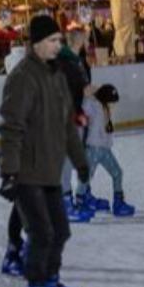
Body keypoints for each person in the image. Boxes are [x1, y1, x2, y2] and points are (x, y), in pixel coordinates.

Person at [0, 15, 90, 287]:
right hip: (26, 171)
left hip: (49, 169)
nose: (58, 45)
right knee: (41, 234)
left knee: (60, 231)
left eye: (59, 40)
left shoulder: (56, 76)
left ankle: (51, 285)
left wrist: (80, 161)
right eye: (52, 40)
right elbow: (11, 127)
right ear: (36, 43)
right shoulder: (24, 77)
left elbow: (67, 126)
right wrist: (8, 172)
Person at [75, 84, 135, 217]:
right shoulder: (94, 106)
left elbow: (108, 131)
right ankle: (80, 202)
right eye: (111, 102)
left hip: (105, 149)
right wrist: (87, 96)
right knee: (86, 177)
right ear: (104, 100)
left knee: (117, 173)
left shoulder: (106, 110)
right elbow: (85, 109)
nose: (113, 106)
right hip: (93, 149)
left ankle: (118, 203)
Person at [56, 28, 94, 223]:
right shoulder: (69, 62)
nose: (88, 42)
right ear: (78, 40)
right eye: (85, 39)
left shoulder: (71, 60)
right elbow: (82, 90)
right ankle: (65, 202)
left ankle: (72, 198)